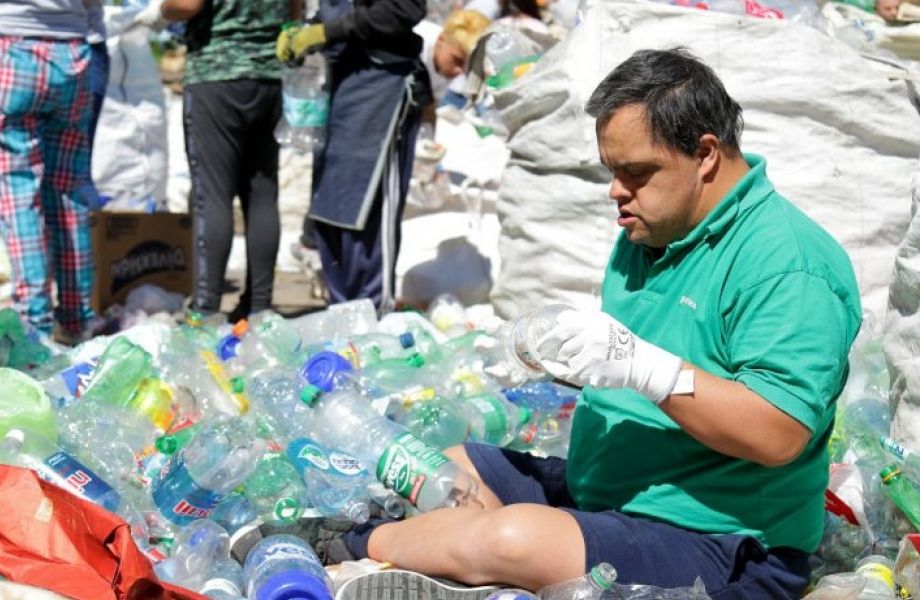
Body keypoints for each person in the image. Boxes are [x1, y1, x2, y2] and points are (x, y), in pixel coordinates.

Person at [242, 49, 863, 599]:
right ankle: (452, 558)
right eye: (610, 171)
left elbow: (778, 432)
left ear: (704, 154)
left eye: (637, 173)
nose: (616, 193)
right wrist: (561, 356)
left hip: (719, 538)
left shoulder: (786, 265)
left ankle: (353, 550)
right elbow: (648, 364)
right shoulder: (654, 229)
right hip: (617, 491)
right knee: (448, 464)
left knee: (515, 538)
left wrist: (642, 367)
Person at [276, 0, 430, 314]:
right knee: (332, 208)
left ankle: (373, 316)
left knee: (368, 209)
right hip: (343, 82)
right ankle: (342, 314)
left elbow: (404, 9)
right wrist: (304, 33)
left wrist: (327, 31)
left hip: (383, 83)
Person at [141, 0, 291, 323]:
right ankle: (260, 306)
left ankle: (206, 308)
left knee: (212, 195)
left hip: (217, 73)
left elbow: (187, 3)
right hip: (269, 76)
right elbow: (294, 10)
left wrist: (160, 12)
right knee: (263, 193)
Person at [0, 0, 104, 344]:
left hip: (8, 46)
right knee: (68, 192)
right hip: (72, 53)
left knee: (18, 196)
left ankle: (35, 326)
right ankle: (76, 319)